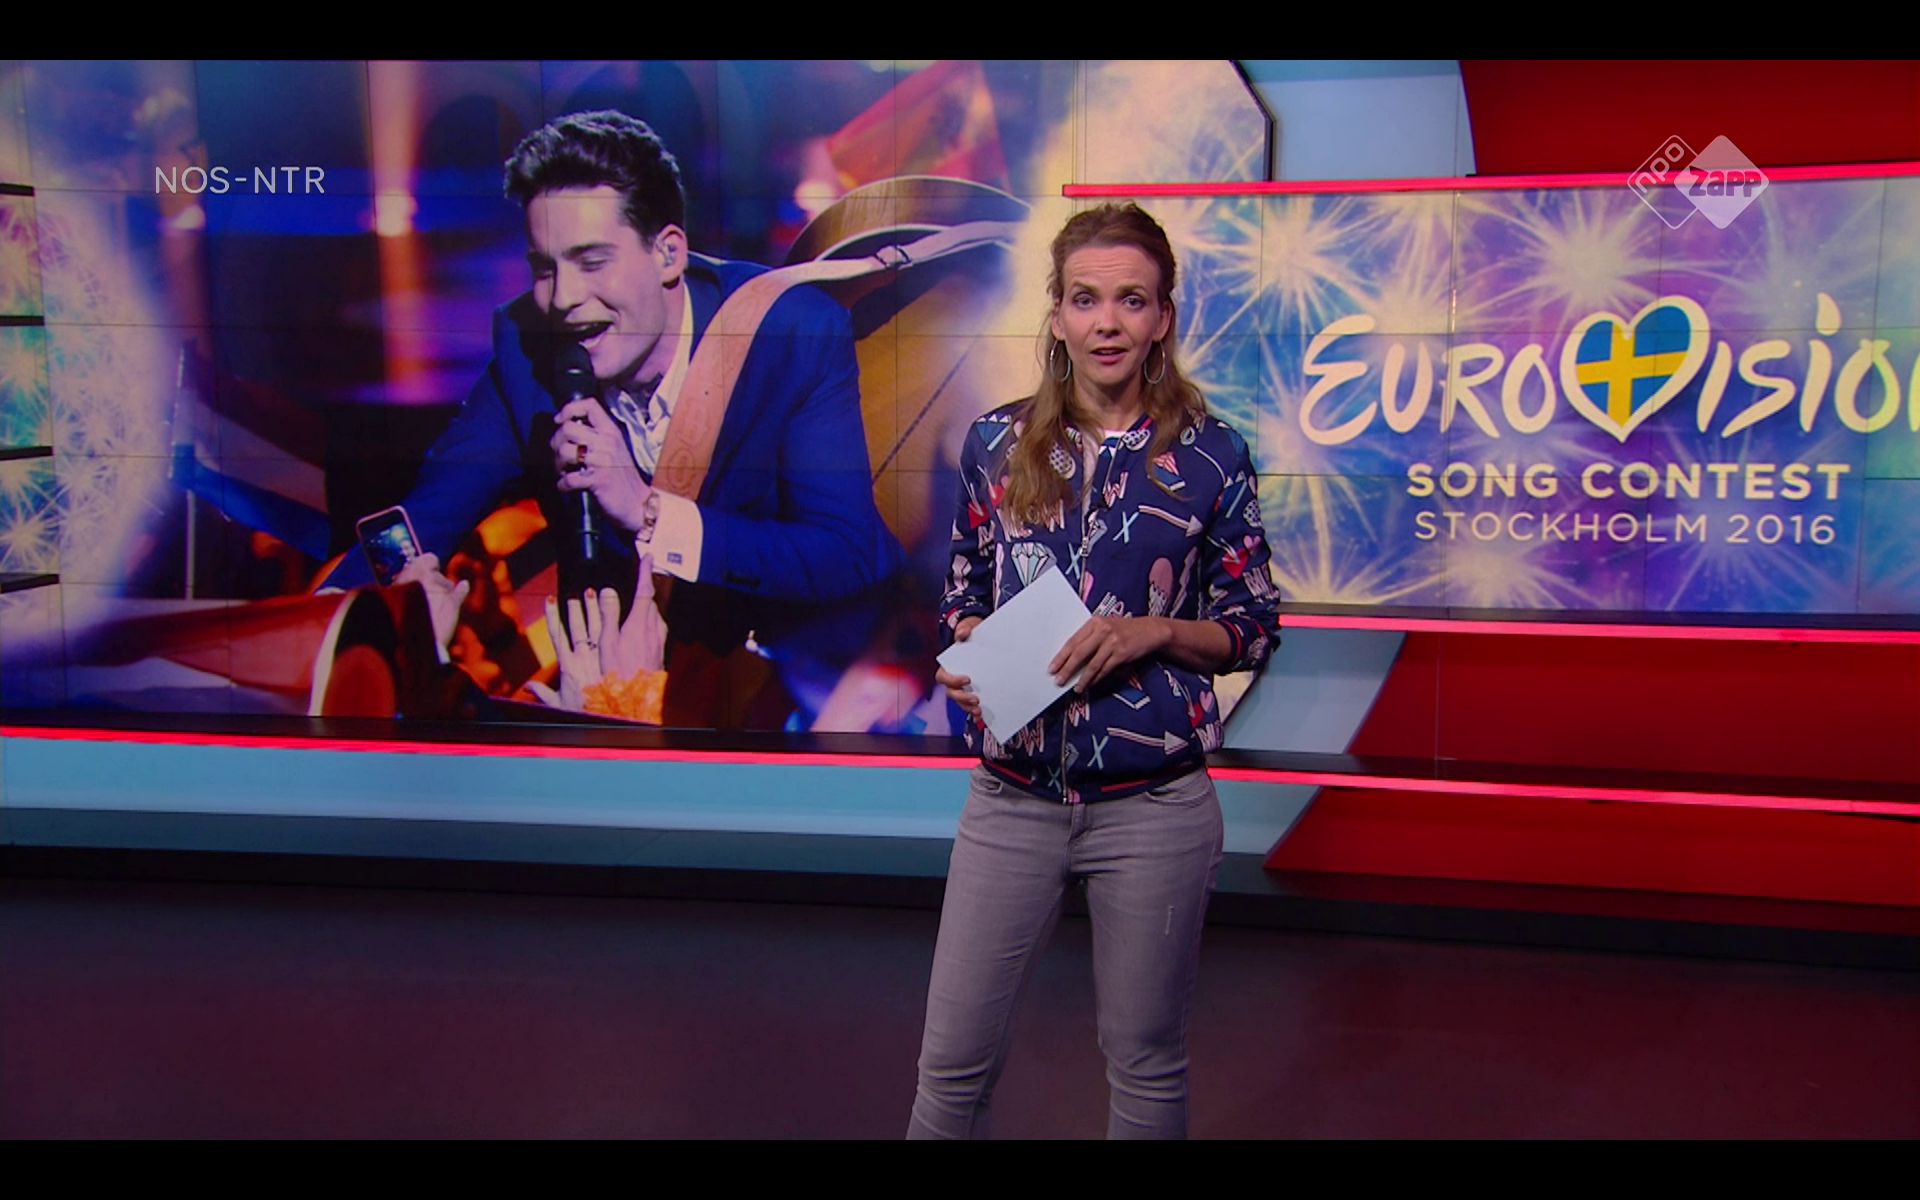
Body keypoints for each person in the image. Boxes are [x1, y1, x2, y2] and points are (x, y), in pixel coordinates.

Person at [326, 110, 903, 726]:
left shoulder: (788, 333)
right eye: (545, 268)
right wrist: (341, 614)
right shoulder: (529, 351)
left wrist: (649, 511)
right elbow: (430, 512)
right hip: (613, 711)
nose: (564, 298)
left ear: (668, 254)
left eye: (591, 261)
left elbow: (849, 555)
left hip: (785, 706)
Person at [909, 204, 1281, 1139]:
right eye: (1085, 299)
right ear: (1058, 314)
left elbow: (1250, 628)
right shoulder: (995, 443)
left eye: (1131, 300)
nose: (1106, 322)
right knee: (950, 1069)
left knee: (1146, 1065)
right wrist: (965, 648)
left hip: (1156, 808)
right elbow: (960, 595)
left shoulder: (1214, 455)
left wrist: (1154, 631)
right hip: (1010, 801)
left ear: (1163, 319)